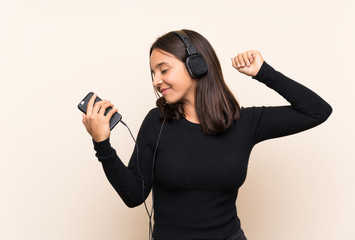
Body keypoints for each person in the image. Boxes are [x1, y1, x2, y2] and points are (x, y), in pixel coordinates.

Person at [81, 29, 332, 240]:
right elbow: (134, 196)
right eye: (152, 73)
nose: (156, 81)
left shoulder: (244, 122)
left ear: (196, 65)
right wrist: (102, 144)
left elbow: (317, 111)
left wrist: (264, 72)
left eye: (164, 70)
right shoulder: (156, 122)